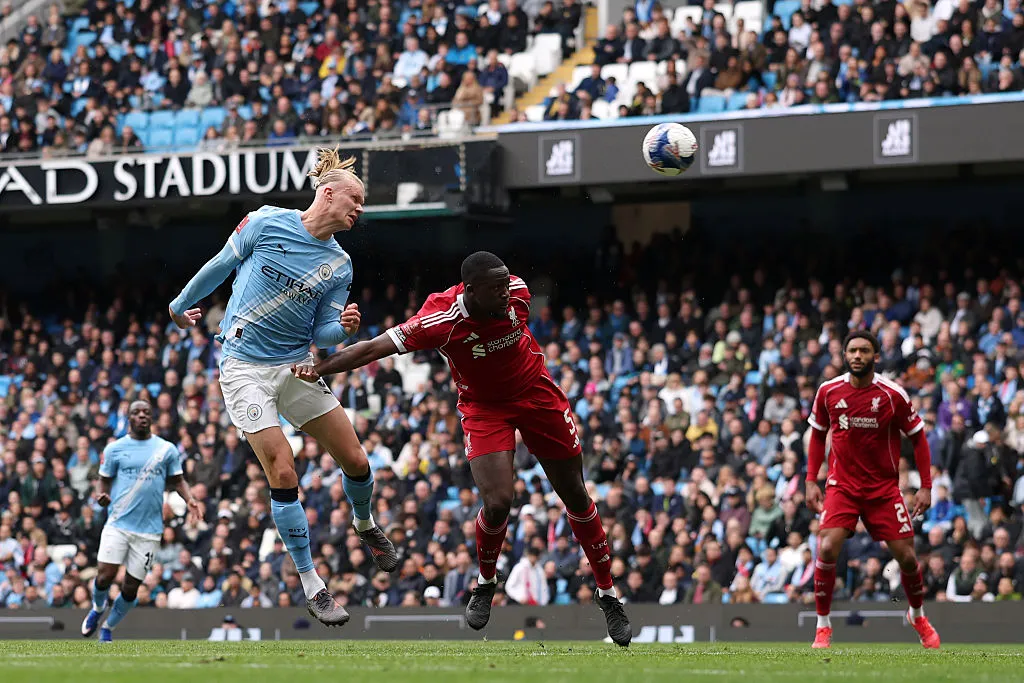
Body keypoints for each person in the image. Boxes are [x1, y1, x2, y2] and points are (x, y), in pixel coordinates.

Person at [293, 251, 632, 646]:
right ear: (471, 290)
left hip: (538, 396)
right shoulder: (440, 320)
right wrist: (319, 367)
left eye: (507, 285)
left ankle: (608, 594)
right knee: (499, 502)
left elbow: (513, 295)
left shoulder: (518, 294)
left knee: (575, 494)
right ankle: (486, 583)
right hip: (484, 409)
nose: (507, 293)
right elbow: (372, 349)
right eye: (496, 288)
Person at [167, 149, 398, 628]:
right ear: (327, 193)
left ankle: (364, 524)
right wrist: (180, 303)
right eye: (354, 200)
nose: (359, 211)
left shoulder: (340, 265)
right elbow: (220, 265)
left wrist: (345, 327)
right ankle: (313, 584)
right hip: (244, 367)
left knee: (357, 461)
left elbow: (324, 335)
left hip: (295, 366)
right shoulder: (265, 222)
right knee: (282, 467)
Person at [805, 330, 940, 649]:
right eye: (852, 350)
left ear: (875, 356)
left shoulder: (893, 394)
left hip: (883, 489)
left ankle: (917, 615)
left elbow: (918, 438)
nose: (857, 356)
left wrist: (926, 486)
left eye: (864, 351)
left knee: (907, 558)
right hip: (842, 486)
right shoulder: (827, 392)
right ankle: (823, 626)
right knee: (826, 549)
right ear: (844, 354)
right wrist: (811, 479)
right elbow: (816, 435)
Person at [81, 400, 200, 642]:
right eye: (136, 412)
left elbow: (178, 480)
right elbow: (103, 479)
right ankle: (97, 608)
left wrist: (190, 499)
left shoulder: (166, 450)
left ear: (152, 417)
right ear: (128, 417)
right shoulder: (115, 449)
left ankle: (108, 628)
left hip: (149, 530)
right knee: (104, 575)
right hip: (118, 522)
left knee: (131, 587)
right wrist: (101, 495)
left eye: (146, 412)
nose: (142, 416)